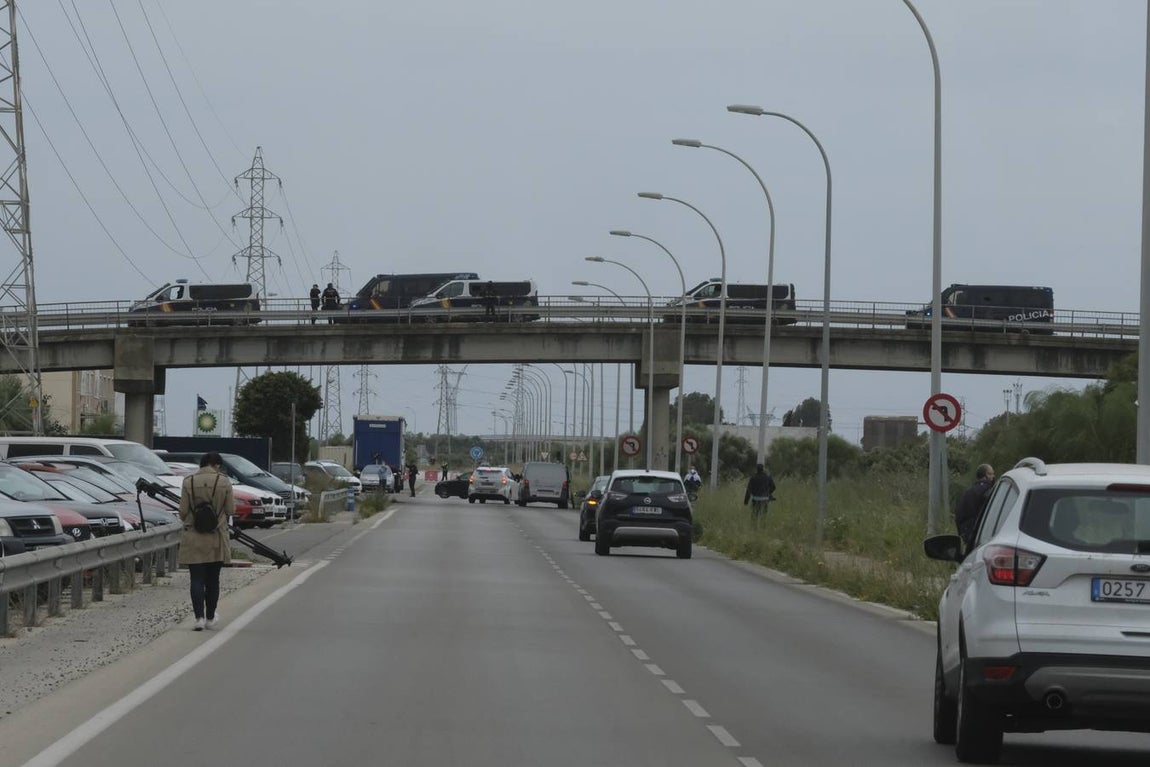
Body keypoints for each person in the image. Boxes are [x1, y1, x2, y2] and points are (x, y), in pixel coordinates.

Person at [178, 452, 235, 631]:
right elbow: (230, 510)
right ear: (216, 465)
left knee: (196, 579)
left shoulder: (188, 482)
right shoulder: (224, 482)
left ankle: (198, 619)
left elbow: (182, 512)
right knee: (213, 580)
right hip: (216, 536)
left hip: (194, 537)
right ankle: (210, 618)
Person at [955, 464, 995, 551]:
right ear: (985, 476)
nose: (993, 476)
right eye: (990, 474)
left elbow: (959, 515)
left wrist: (962, 534)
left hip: (969, 535)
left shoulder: (968, 492)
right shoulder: (992, 491)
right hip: (986, 536)